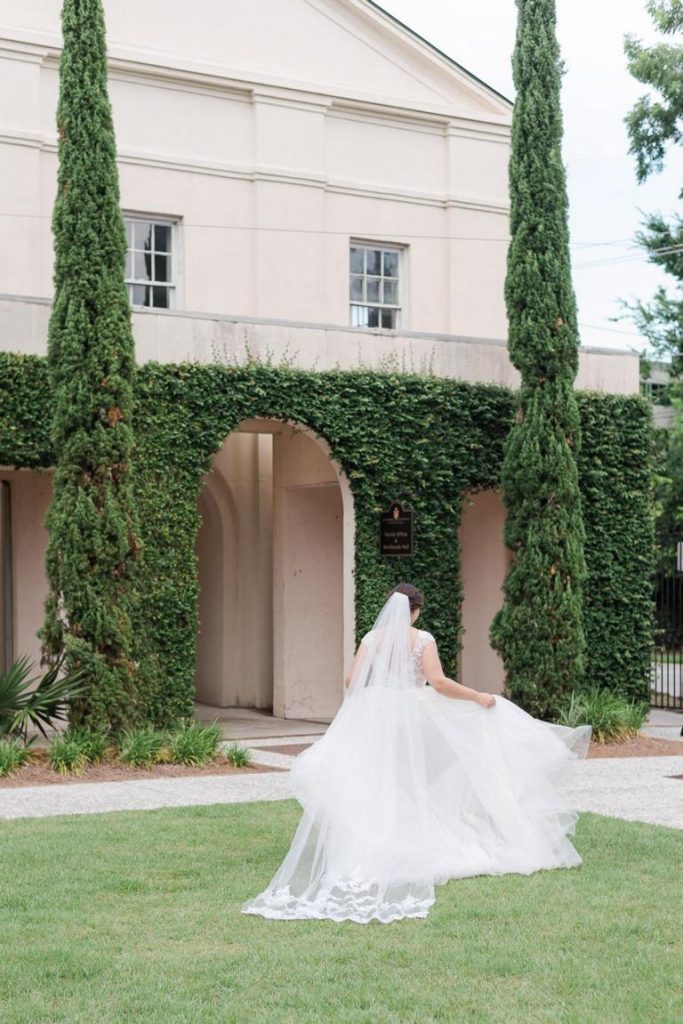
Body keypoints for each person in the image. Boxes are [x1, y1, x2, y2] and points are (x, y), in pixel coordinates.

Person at [243, 583, 591, 924]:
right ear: (415, 611)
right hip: (410, 716)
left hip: (376, 715)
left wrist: (380, 692)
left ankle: (371, 847)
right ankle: (409, 846)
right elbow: (438, 683)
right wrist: (476, 696)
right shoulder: (422, 639)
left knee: (379, 782)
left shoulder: (371, 639)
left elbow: (352, 680)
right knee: (416, 780)